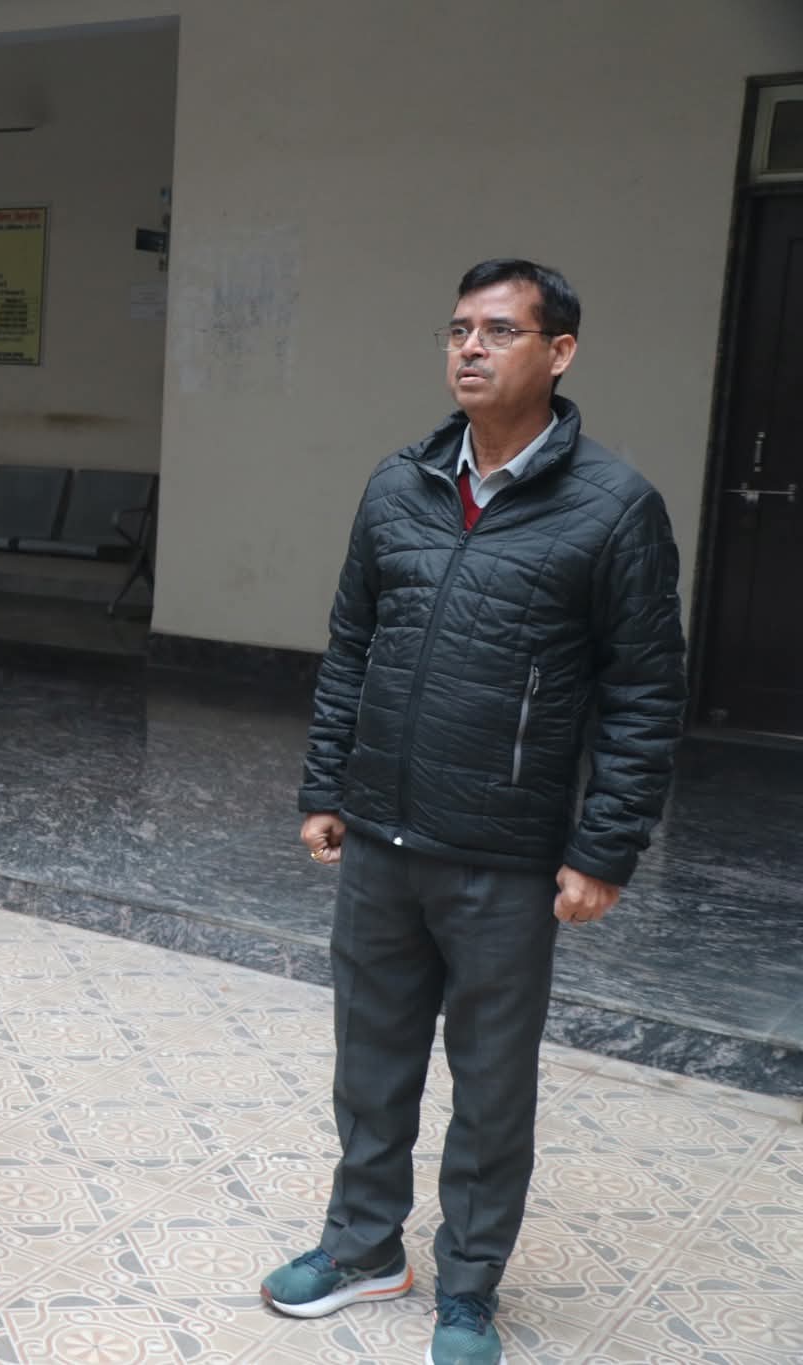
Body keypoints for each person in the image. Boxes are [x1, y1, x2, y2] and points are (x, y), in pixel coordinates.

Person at [267, 260, 687, 1365]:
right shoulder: (397, 485)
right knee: (369, 1064)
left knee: (492, 1087)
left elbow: (645, 694)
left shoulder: (614, 509)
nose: (469, 347)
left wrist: (604, 847)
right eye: (458, 329)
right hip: (380, 837)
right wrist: (325, 787)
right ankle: (363, 1248)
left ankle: (467, 1287)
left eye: (499, 331)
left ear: (559, 352)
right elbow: (351, 646)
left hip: (504, 856)